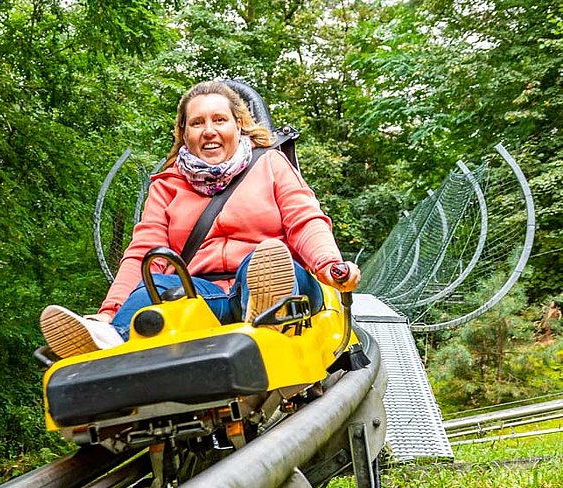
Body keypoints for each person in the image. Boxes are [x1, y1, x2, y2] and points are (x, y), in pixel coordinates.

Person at [40, 80, 361, 359]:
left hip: (282, 283)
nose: (209, 130)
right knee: (154, 289)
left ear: (239, 125)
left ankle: (265, 318)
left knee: (263, 262)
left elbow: (305, 221)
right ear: (183, 132)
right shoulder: (167, 185)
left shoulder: (271, 165)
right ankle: (108, 339)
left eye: (219, 120)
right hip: (208, 296)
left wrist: (328, 264)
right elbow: (143, 255)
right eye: (197, 123)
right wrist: (109, 311)